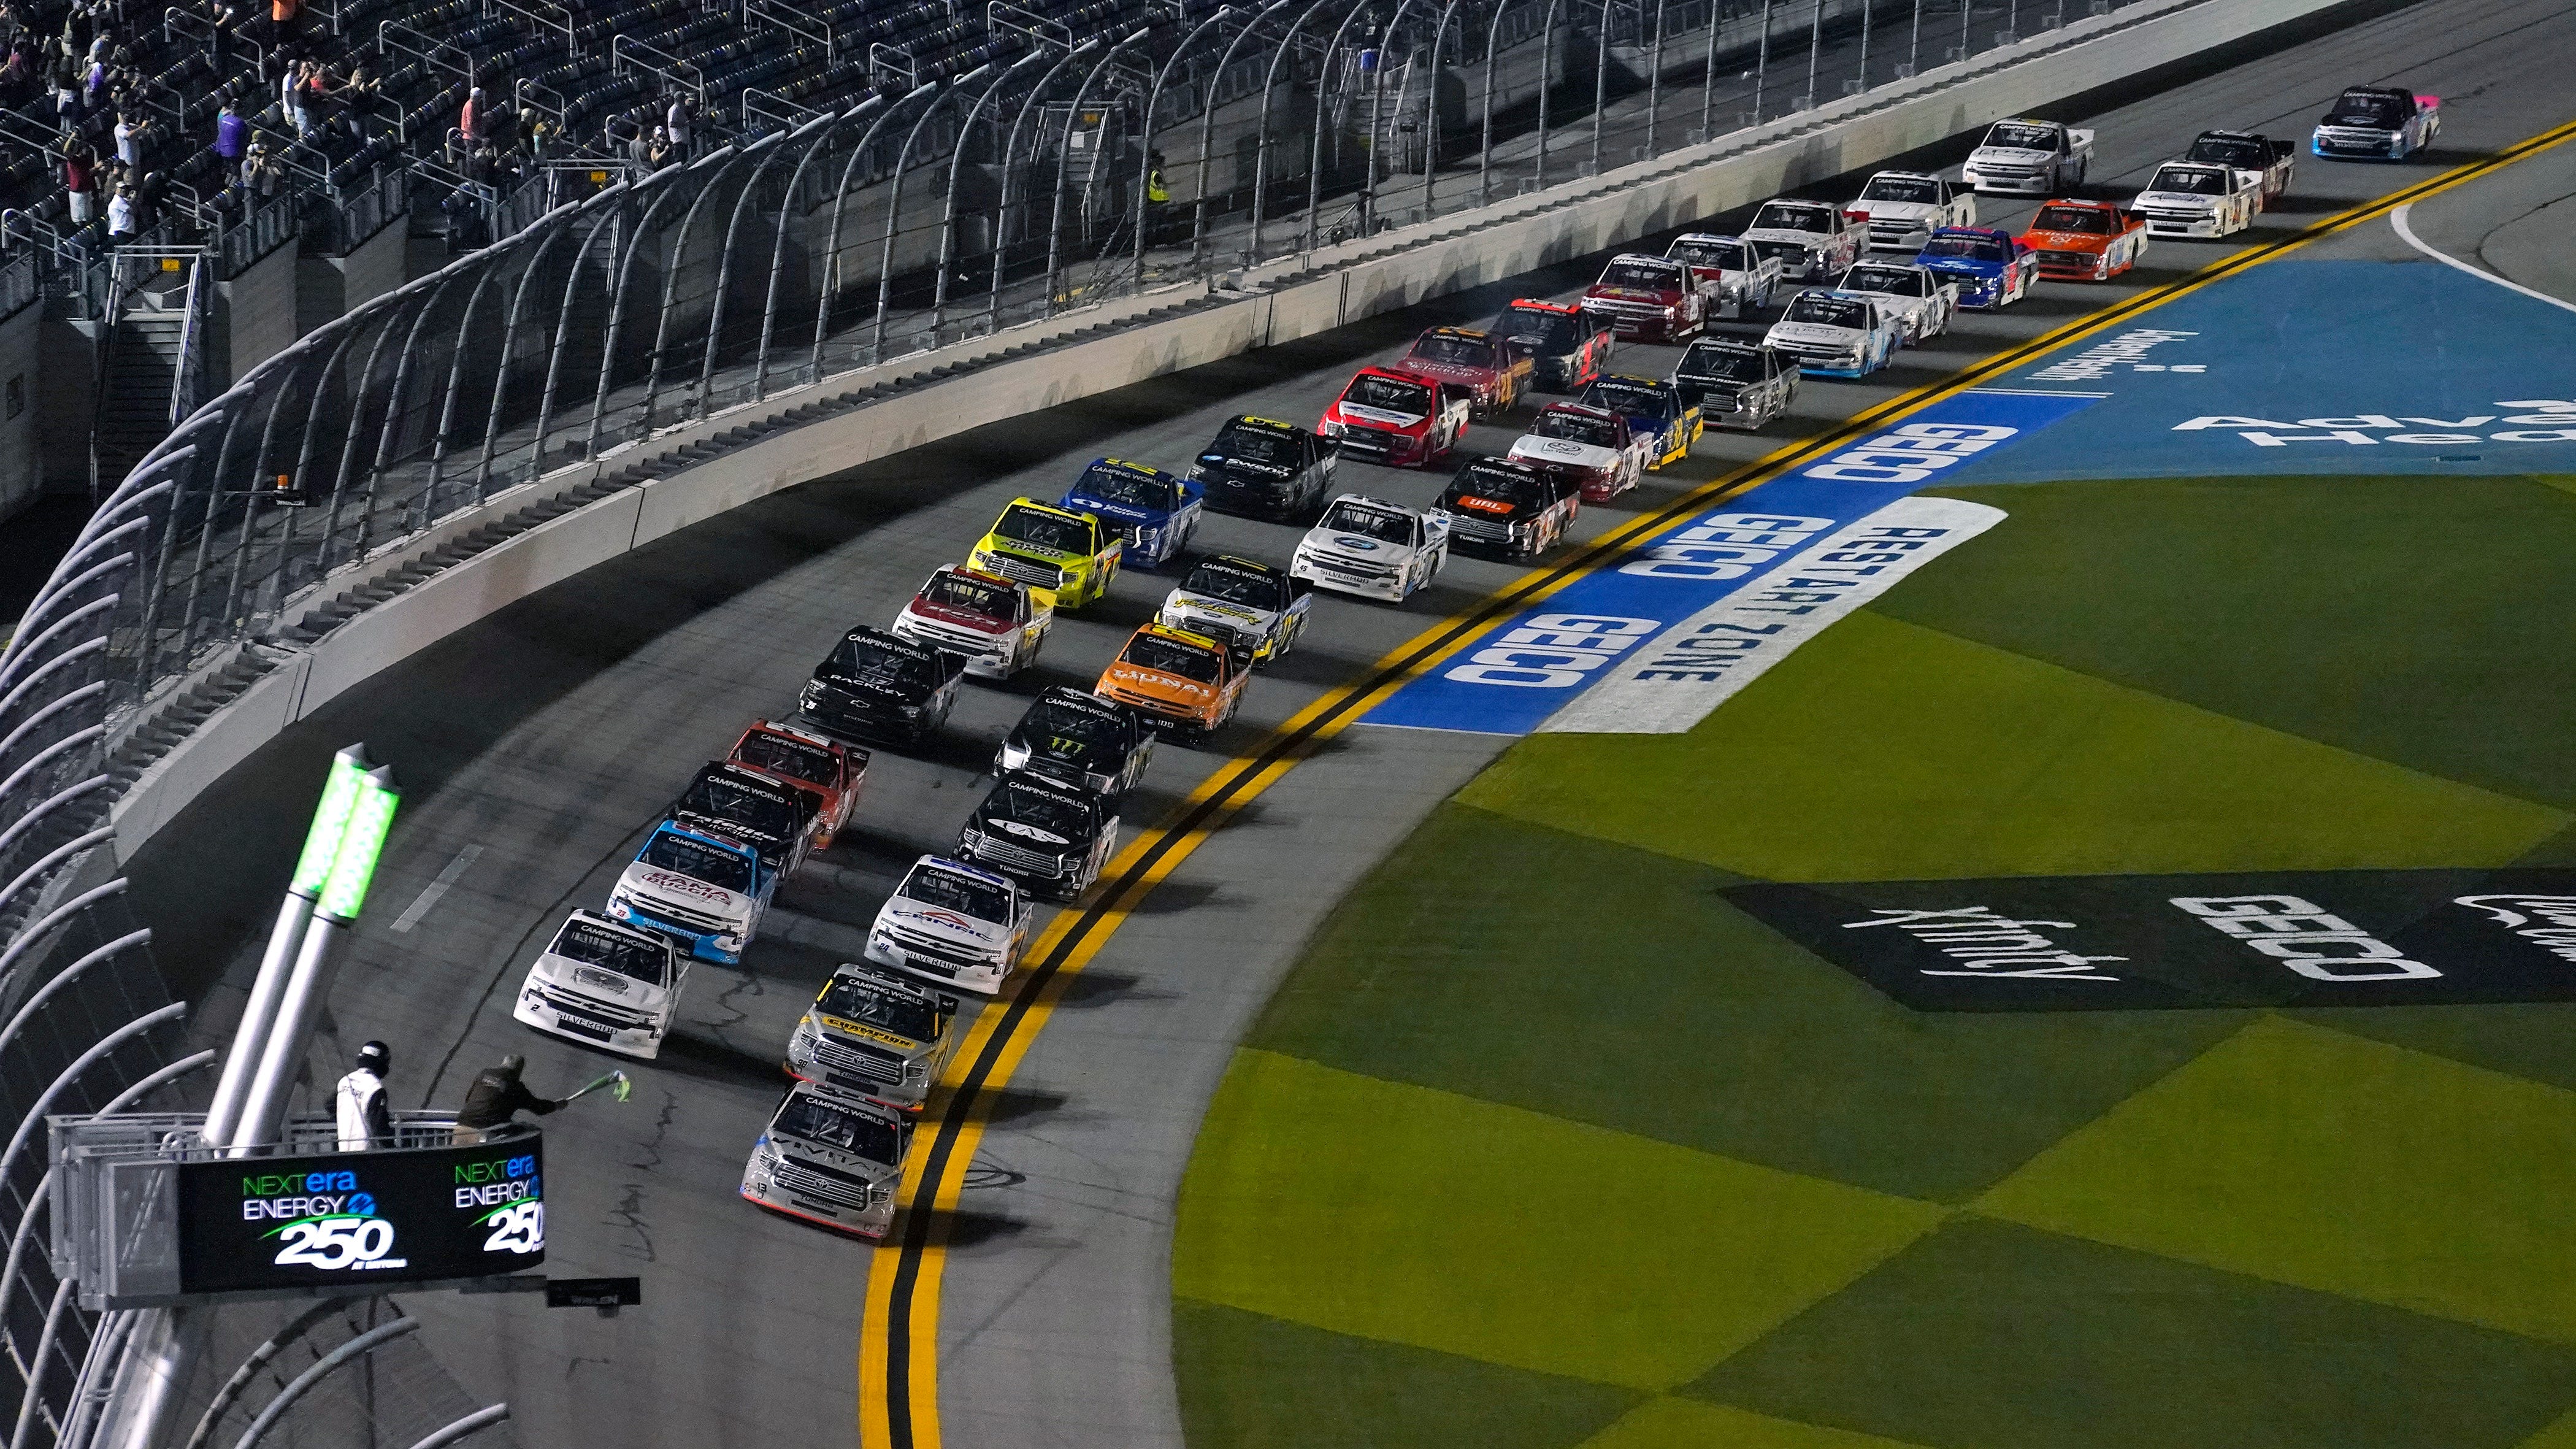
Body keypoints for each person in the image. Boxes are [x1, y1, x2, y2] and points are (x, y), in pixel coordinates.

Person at [451, 1053, 561, 1144]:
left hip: (464, 1121)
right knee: (524, 1132)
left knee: (457, 1155)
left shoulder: (484, 1074)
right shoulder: (515, 1086)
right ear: (519, 1071)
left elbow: (468, 1098)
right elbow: (539, 1108)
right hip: (488, 1128)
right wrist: (556, 1106)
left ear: (503, 1064)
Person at [335, 1040, 393, 1150]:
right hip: (366, 1154)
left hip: (343, 1148)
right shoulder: (375, 1087)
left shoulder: (346, 1081)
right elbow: (379, 1126)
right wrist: (393, 1147)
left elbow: (330, 1106)